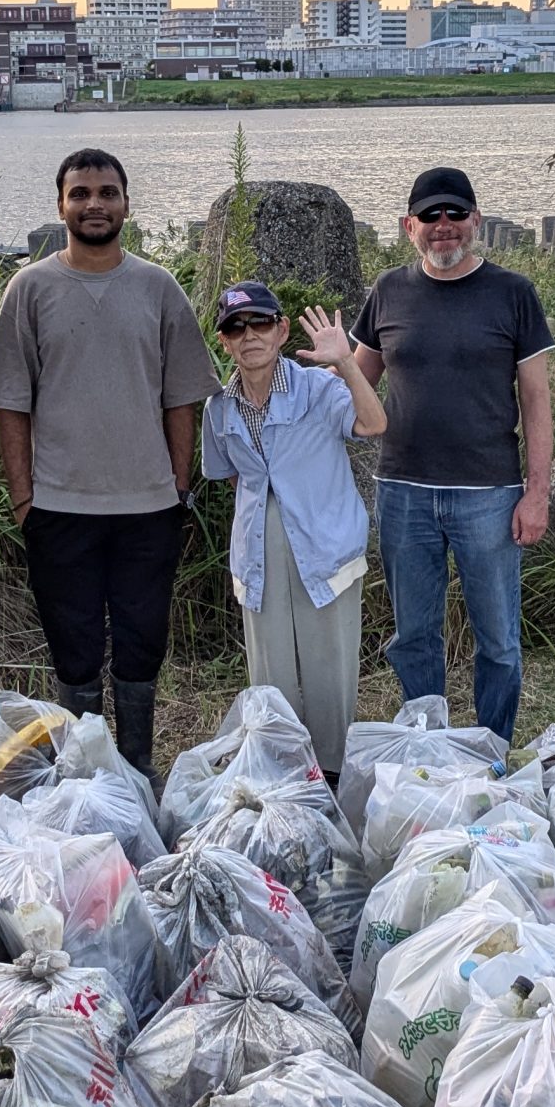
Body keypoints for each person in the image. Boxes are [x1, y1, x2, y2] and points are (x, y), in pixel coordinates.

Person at [0, 147, 215, 779]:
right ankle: (83, 775)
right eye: (80, 193)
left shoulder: (158, 288)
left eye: (107, 192)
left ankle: (137, 770)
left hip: (149, 507)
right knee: (74, 650)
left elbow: (182, 399)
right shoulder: (30, 289)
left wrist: (178, 486)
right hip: (59, 507)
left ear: (127, 205)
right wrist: (24, 500)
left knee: (142, 646)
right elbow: (12, 404)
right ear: (61, 205)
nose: (94, 204)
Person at [348, 166, 555, 742]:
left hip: (490, 494)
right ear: (408, 226)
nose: (444, 225)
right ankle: (428, 751)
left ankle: (493, 752)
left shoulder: (513, 293)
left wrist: (537, 494)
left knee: (498, 640)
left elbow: (537, 403)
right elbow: (357, 386)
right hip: (403, 491)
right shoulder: (388, 290)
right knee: (413, 637)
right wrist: (310, 372)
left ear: (476, 220)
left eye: (456, 213)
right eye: (430, 215)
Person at [199, 281, 386, 775]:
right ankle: (284, 775)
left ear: (281, 330)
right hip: (259, 555)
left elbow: (373, 424)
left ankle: (332, 774)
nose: (250, 336)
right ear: (224, 341)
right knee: (271, 675)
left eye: (260, 323)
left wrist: (346, 362)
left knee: (330, 672)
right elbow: (232, 475)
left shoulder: (318, 388)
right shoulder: (219, 408)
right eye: (235, 328)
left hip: (325, 549)